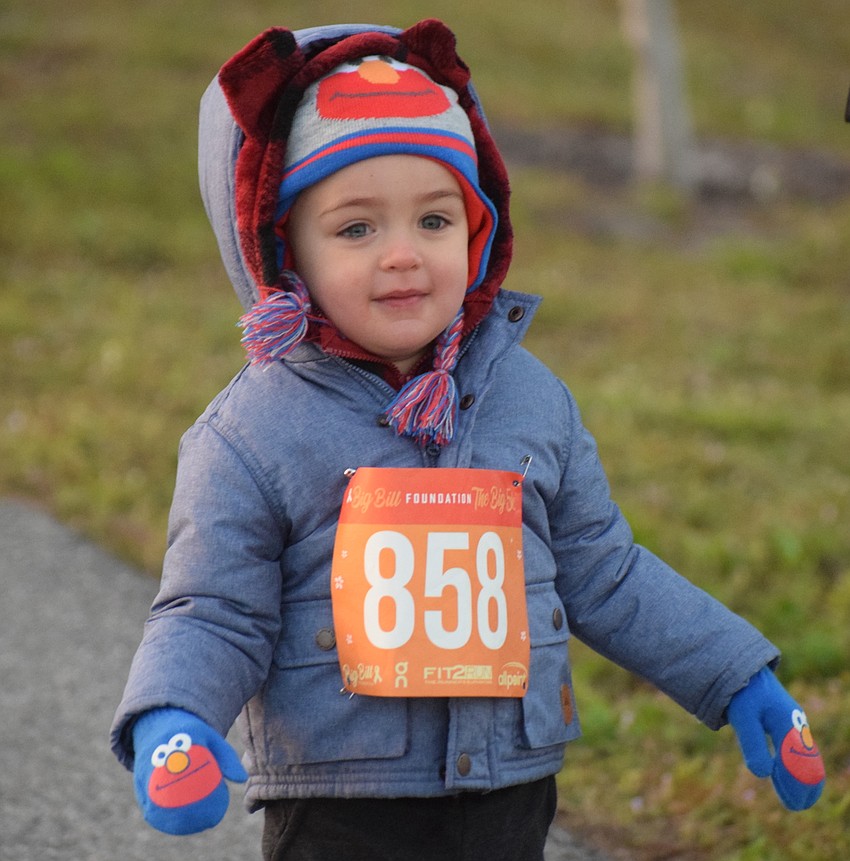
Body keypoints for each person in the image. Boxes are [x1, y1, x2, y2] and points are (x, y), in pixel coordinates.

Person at [110, 19, 825, 860]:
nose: (404, 256)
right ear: (284, 250)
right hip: (343, 798)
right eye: (356, 229)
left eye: (436, 220)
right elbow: (214, 608)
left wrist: (739, 675)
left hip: (510, 787)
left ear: (479, 231)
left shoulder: (531, 400)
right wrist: (175, 717)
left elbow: (607, 569)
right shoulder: (253, 432)